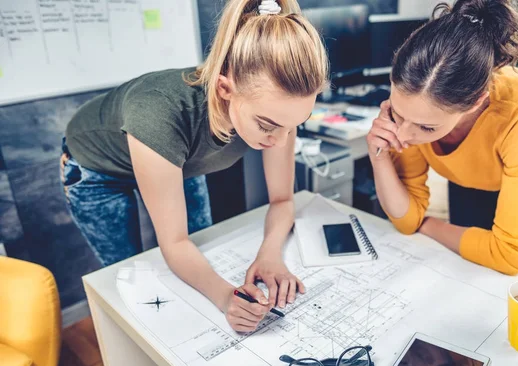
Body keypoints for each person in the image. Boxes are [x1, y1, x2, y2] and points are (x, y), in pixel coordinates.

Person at [60, 0, 328, 332]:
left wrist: (270, 255)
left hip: (176, 157)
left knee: (201, 248)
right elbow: (173, 243)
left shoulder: (275, 111)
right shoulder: (159, 114)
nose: (281, 139)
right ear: (225, 89)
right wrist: (227, 297)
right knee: (127, 275)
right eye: (268, 126)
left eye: (293, 126)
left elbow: (283, 200)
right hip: (97, 167)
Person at [367, 0, 518, 280]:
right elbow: (405, 221)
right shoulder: (413, 116)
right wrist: (379, 157)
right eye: (396, 112)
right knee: (467, 272)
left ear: (476, 102)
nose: (403, 136)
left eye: (427, 128)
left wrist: (427, 225)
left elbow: (510, 255)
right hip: (469, 175)